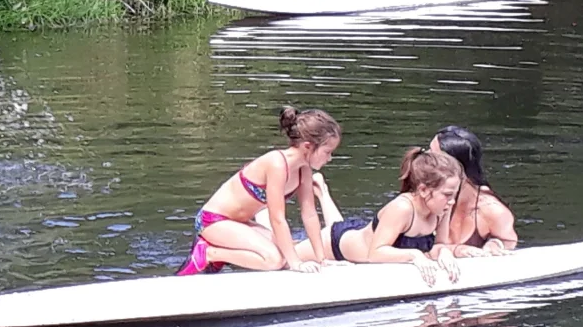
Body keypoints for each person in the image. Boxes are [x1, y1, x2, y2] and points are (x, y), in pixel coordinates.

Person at [176, 107, 343, 275]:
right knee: (275, 260)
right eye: (327, 152)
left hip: (240, 223)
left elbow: (310, 214)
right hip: (212, 221)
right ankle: (209, 253)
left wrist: (322, 259)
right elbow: (277, 218)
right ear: (307, 146)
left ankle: (221, 254)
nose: (329, 158)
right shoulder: (276, 164)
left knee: (291, 249)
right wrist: (296, 264)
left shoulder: (303, 170)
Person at [297, 148, 463, 286]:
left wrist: (443, 252)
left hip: (362, 233)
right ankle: (318, 193)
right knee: (282, 259)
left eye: (455, 194)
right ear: (424, 190)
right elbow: (375, 254)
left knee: (347, 226)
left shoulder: (442, 208)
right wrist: (415, 255)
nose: (452, 201)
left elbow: (439, 244)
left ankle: (322, 192)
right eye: (448, 194)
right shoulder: (402, 208)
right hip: (336, 245)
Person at [431, 125, 518, 256]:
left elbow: (509, 241)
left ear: (455, 168)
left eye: (432, 156)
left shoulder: (492, 210)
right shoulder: (422, 194)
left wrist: (496, 243)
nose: (422, 160)